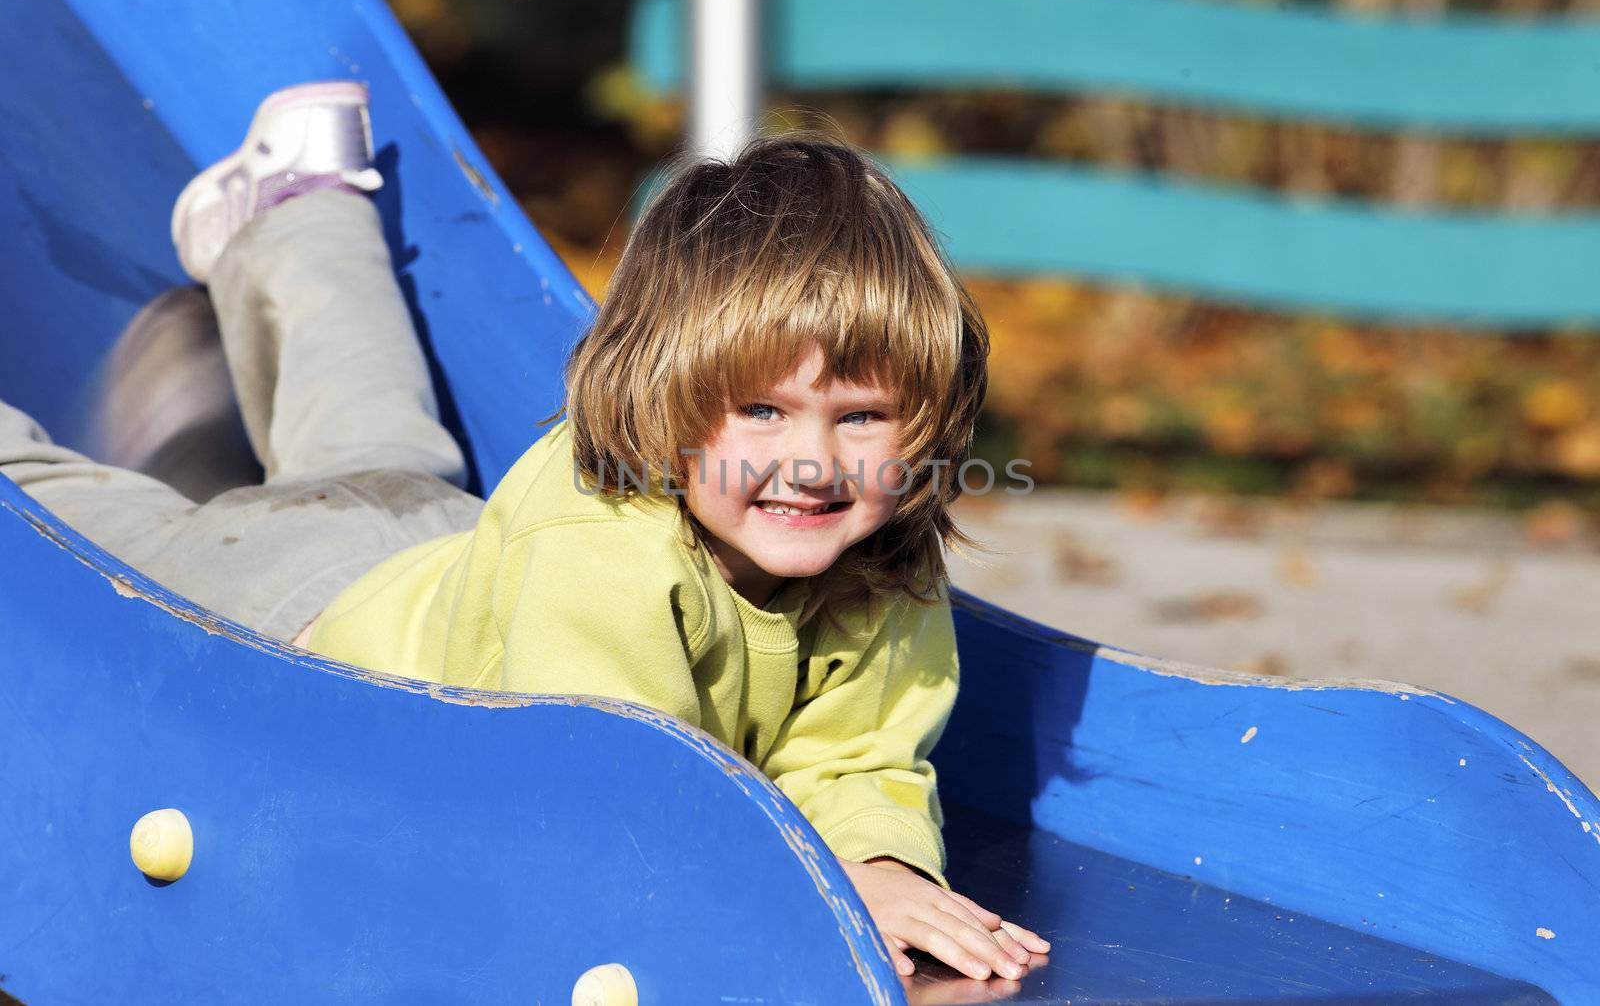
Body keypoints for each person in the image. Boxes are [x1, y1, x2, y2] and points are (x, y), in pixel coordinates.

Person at [2, 82, 1049, 983]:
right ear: (663, 396)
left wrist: (875, 861)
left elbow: (864, 752)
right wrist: (799, 894)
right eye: (763, 412)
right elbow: (613, 799)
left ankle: (297, 208)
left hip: (436, 545)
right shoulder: (601, 555)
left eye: (861, 417)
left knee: (370, 438)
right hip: (295, 614)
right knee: (71, 522)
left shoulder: (881, 556)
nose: (814, 461)